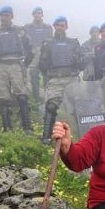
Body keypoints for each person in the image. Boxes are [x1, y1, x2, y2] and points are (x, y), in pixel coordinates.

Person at [0, 5, 34, 134]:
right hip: (0, 65)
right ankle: (7, 128)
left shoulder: (20, 31)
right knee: (2, 96)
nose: (4, 17)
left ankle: (27, 127)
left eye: (7, 15)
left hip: (16, 64)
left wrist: (24, 64)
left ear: (12, 16)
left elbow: (29, 49)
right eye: (2, 15)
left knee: (22, 95)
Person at [39, 16, 82, 144]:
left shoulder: (74, 43)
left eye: (62, 25)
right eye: (57, 25)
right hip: (55, 79)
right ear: (54, 26)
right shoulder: (47, 43)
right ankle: (46, 137)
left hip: (72, 78)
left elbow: (80, 61)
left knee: (78, 107)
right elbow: (43, 63)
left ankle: (82, 135)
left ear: (66, 27)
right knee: (51, 107)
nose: (60, 27)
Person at [24, 7, 53, 102]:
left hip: (45, 54)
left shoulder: (48, 28)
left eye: (39, 13)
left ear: (42, 15)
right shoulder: (28, 27)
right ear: (33, 15)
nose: (37, 15)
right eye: (35, 13)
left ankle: (48, 99)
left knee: (47, 77)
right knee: (34, 76)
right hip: (32, 55)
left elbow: (51, 41)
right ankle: (37, 99)